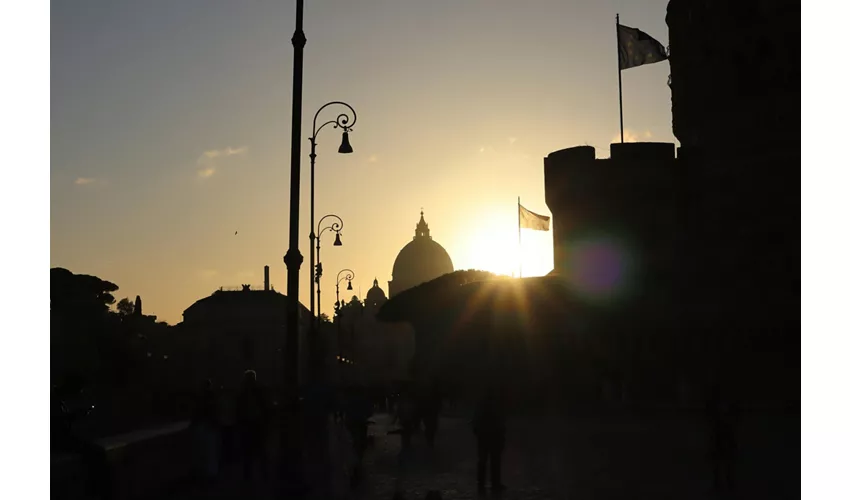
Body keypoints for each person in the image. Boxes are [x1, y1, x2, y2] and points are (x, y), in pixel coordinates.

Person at [236, 370, 270, 481]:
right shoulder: (259, 390)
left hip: (248, 423)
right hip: (257, 422)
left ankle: (248, 474)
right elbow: (265, 406)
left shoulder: (243, 391)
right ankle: (263, 473)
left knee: (248, 451)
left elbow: (239, 409)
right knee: (260, 450)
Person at [472, 387, 506, 494]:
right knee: (494, 461)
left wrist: (477, 432)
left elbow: (476, 421)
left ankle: (482, 483)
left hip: (484, 436)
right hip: (493, 436)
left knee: (483, 461)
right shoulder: (496, 405)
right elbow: (500, 421)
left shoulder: (481, 405)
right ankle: (494, 483)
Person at [189, 379, 220, 483]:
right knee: (209, 452)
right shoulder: (211, 398)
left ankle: (204, 473)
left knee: (202, 451)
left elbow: (197, 412)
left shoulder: (201, 398)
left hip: (204, 425)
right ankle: (209, 473)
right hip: (208, 426)